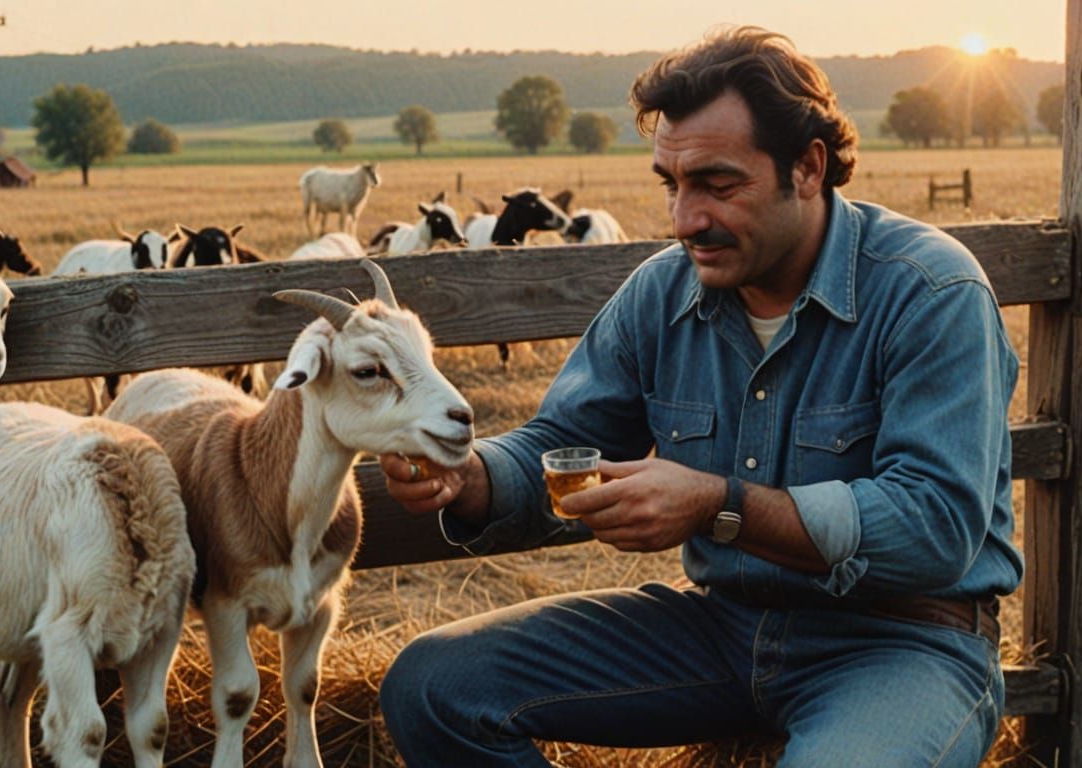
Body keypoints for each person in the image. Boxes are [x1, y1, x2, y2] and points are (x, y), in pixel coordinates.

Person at [377, 25, 1022, 767]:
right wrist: (473, 477)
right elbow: (561, 445)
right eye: (672, 185)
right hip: (721, 628)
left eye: (718, 185)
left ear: (808, 168)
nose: (686, 219)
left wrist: (720, 505)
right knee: (434, 685)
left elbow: (934, 526)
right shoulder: (661, 291)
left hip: (905, 644)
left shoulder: (930, 291)